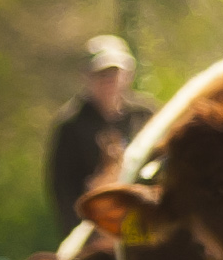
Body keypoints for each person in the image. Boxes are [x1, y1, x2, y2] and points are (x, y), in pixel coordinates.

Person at [46, 36, 155, 226]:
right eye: (101, 74)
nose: (109, 81)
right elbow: (62, 188)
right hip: (96, 225)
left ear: (128, 74)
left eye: (114, 73)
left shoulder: (146, 115)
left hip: (143, 220)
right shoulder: (71, 125)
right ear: (86, 76)